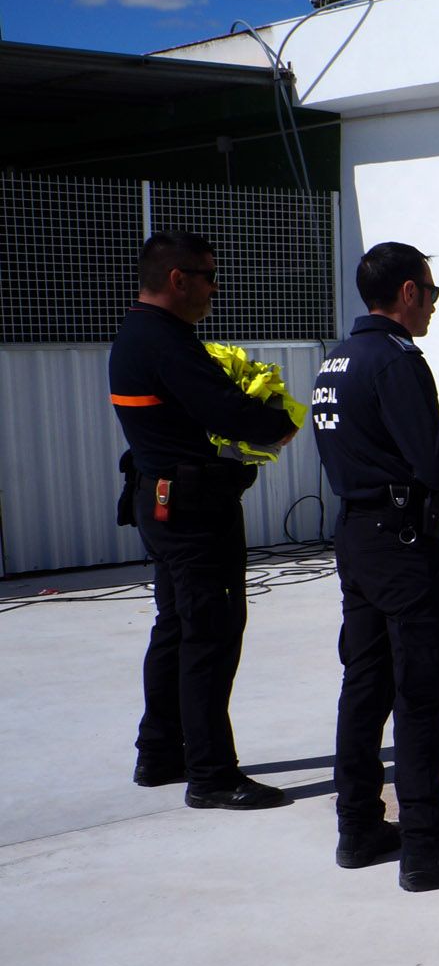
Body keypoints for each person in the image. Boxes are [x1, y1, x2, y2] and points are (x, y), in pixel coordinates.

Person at [311, 242, 439, 890]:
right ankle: (426, 843)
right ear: (410, 292)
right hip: (403, 543)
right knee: (421, 690)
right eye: (433, 294)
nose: (433, 308)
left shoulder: (336, 359)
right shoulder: (396, 362)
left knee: (364, 685)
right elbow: (433, 460)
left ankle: (358, 825)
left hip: (359, 537)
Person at [109, 232, 298, 810]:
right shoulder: (166, 342)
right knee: (209, 636)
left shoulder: (138, 334)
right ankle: (213, 775)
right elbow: (229, 412)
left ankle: (160, 751)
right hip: (191, 512)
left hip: (162, 501)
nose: (214, 288)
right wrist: (276, 419)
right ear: (178, 279)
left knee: (175, 627)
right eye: (208, 276)